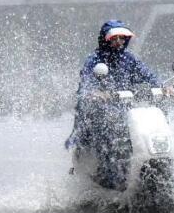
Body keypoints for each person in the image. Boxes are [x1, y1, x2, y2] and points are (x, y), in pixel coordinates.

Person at [65, 20, 160, 151]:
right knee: (108, 137)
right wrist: (94, 93)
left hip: (127, 110)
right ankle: (106, 167)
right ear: (105, 40)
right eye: (114, 38)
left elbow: (148, 75)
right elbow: (86, 83)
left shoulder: (129, 58)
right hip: (100, 111)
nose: (119, 41)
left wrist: (163, 87)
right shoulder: (94, 59)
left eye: (122, 38)